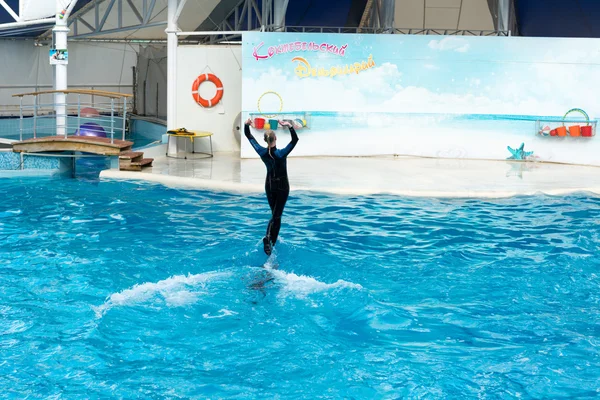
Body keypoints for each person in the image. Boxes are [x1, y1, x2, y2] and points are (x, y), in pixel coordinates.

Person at [244, 118, 299, 256]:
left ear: (265, 140)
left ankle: (269, 240)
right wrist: (289, 126)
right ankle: (269, 240)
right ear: (276, 138)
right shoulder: (280, 154)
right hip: (282, 186)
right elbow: (294, 140)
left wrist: (246, 125)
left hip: (269, 185)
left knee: (274, 214)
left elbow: (249, 136)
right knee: (277, 215)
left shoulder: (261, 152)